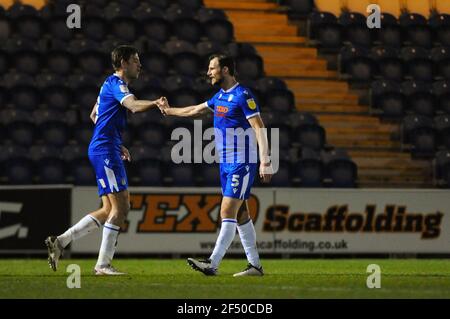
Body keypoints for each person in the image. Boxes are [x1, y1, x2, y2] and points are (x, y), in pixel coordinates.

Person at [45, 45, 164, 275]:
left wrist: (116, 142)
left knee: (108, 208)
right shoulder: (117, 85)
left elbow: (94, 115)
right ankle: (103, 264)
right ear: (123, 63)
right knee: (122, 207)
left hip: (105, 148)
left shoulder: (108, 85)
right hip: (105, 151)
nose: (140, 65)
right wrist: (155, 103)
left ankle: (60, 241)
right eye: (136, 61)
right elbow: (133, 106)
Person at [157, 54, 274, 276]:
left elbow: (259, 127)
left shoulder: (243, 95)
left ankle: (212, 263)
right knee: (241, 215)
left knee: (227, 210)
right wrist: (169, 110)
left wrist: (266, 160)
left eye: (212, 68)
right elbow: (195, 110)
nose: (209, 72)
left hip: (242, 161)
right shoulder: (219, 96)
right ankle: (255, 265)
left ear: (226, 70)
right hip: (226, 164)